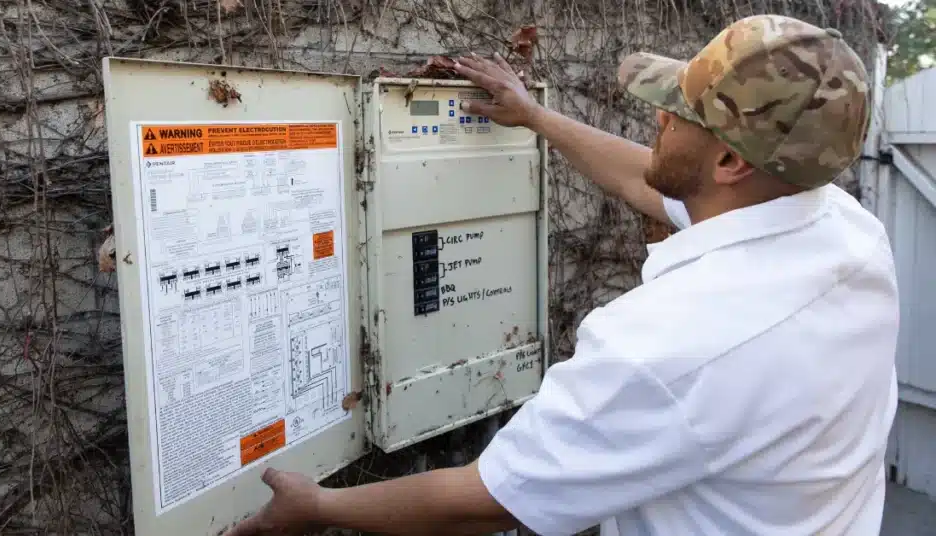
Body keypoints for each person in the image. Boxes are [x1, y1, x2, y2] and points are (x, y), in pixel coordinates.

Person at [226, 14, 899, 536]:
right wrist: (535, 115)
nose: (657, 115)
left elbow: (486, 502)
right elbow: (654, 179)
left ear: (729, 163)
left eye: (679, 111)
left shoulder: (672, 345)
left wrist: (315, 504)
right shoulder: (846, 233)